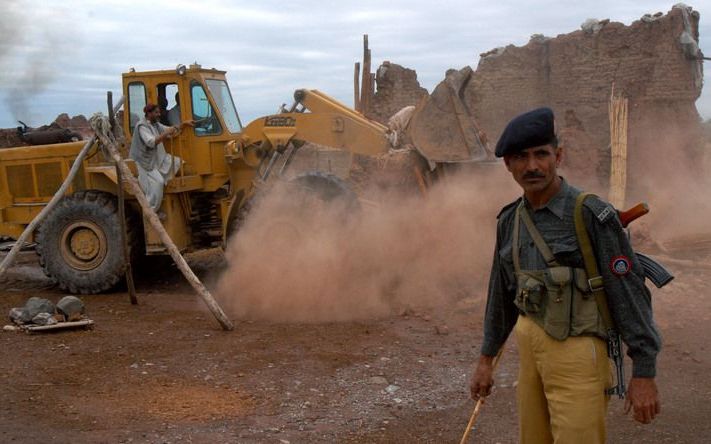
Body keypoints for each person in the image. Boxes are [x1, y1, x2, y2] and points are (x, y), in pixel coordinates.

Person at [469, 107, 661, 443]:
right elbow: (501, 293)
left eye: (541, 154)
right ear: (507, 164)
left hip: (578, 353)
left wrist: (643, 371)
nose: (532, 166)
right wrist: (486, 359)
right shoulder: (509, 221)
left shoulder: (590, 214)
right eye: (521, 157)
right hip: (530, 350)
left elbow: (629, 292)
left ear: (558, 156)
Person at [129, 103, 191, 215]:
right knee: (158, 182)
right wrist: (166, 134)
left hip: (157, 159)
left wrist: (184, 124)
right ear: (149, 113)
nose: (159, 114)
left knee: (177, 163)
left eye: (159, 112)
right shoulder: (142, 126)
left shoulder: (156, 124)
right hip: (146, 162)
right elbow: (151, 142)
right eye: (156, 112)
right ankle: (151, 212)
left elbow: (171, 129)